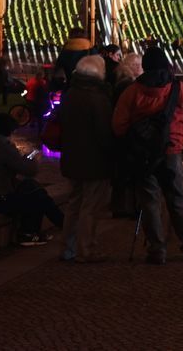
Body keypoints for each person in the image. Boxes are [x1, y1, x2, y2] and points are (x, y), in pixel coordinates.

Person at [112, 49, 183, 264]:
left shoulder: (132, 91)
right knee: (177, 197)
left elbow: (118, 125)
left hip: (144, 155)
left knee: (149, 200)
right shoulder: (179, 90)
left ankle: (157, 249)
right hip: (171, 151)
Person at [0, 113, 62, 245]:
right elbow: (29, 169)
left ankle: (60, 224)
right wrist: (32, 158)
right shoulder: (2, 147)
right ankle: (29, 233)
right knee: (37, 196)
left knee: (32, 187)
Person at [56, 54, 114, 262]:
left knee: (74, 204)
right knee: (90, 207)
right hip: (94, 160)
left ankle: (67, 248)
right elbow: (104, 133)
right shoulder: (98, 98)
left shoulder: (70, 94)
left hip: (73, 157)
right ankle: (86, 249)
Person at [110, 52, 144, 218]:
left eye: (140, 64)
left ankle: (122, 205)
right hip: (127, 133)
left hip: (123, 132)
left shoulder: (122, 83)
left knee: (123, 171)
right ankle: (127, 207)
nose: (139, 67)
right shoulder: (128, 85)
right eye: (135, 65)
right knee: (127, 172)